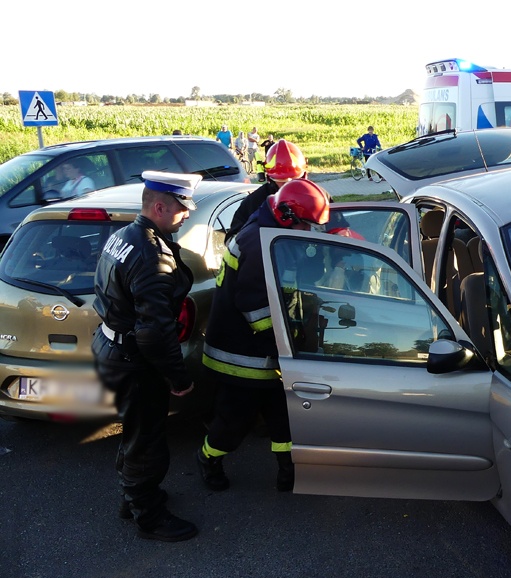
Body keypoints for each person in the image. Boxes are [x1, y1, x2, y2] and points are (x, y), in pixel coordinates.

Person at [196, 178, 331, 493]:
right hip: (241, 354)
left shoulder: (275, 233)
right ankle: (207, 458)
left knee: (284, 417)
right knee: (234, 421)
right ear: (287, 217)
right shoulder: (257, 243)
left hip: (270, 351)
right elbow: (254, 306)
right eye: (307, 226)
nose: (310, 233)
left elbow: (291, 282)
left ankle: (288, 470)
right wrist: (288, 342)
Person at [91, 170, 202, 542]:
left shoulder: (124, 235)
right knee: (148, 438)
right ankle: (149, 516)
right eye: (182, 208)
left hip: (111, 345)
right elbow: (154, 332)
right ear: (159, 206)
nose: (188, 214)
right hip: (133, 359)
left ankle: (133, 497)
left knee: (135, 430)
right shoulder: (152, 256)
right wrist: (179, 378)